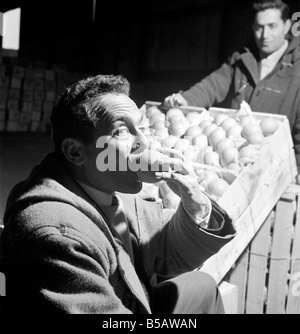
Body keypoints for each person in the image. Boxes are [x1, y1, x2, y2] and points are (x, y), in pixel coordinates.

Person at [0, 74, 236, 314]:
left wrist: (195, 205)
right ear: (75, 152)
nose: (143, 141)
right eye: (121, 131)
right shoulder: (55, 236)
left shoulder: (109, 190)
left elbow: (164, 248)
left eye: (141, 127)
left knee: (200, 287)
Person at [163, 0, 300, 182]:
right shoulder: (243, 58)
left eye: (272, 26)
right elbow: (214, 84)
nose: (264, 35)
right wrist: (187, 100)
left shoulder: (296, 68)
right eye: (259, 27)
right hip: (238, 164)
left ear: (287, 26)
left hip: (276, 170)